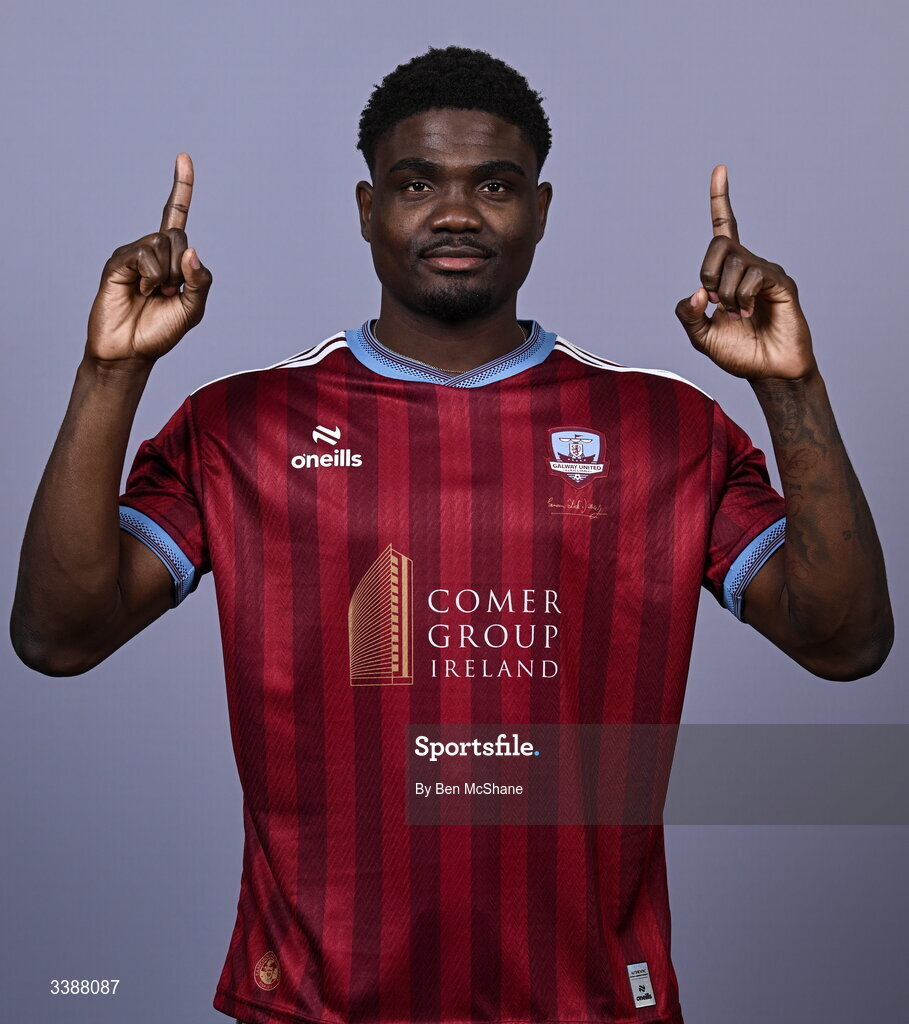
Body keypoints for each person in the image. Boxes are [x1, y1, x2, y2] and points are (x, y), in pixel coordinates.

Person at [11, 44, 892, 1024]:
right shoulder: (240, 427)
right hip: (313, 1005)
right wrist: (109, 373)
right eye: (417, 182)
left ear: (543, 211)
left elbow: (844, 640)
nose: (458, 213)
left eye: (496, 185)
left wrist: (789, 388)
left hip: (591, 1006)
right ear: (366, 208)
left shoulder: (664, 429)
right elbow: (59, 633)